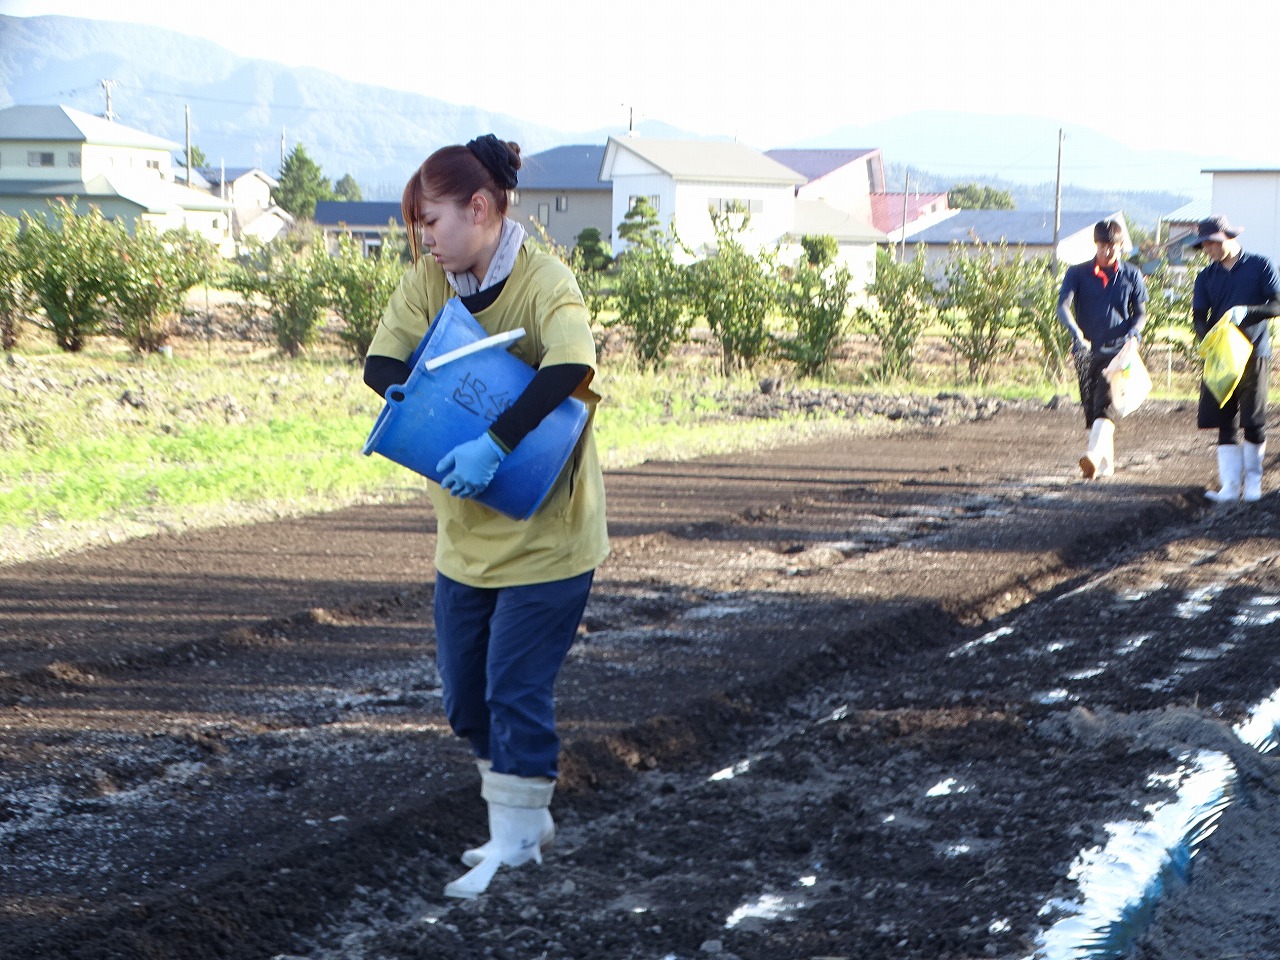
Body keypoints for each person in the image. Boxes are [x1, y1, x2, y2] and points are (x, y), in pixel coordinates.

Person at [362, 135, 609, 898]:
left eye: (431, 221)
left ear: (479, 208)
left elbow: (571, 365)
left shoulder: (543, 281)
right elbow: (381, 362)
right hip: (466, 536)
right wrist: (429, 399)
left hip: (548, 535)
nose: (424, 239)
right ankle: (522, 819)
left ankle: (514, 842)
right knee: (466, 698)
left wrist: (496, 439)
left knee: (512, 688)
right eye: (417, 226)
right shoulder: (426, 283)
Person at [1189, 215, 1280, 503]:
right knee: (1225, 419)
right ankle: (1229, 487)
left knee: (1253, 419)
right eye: (1204, 245)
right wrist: (1206, 338)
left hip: (1254, 352)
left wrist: (1246, 312)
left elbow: (1276, 304)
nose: (1207, 250)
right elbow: (1199, 316)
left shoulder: (1260, 266)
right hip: (1222, 356)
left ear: (1228, 238)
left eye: (1211, 244)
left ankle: (1253, 483)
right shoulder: (1206, 277)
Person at [1057, 218, 1149, 478]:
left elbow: (1140, 313)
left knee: (1105, 403)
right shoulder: (1077, 273)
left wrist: (1134, 334)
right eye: (1102, 246)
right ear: (1095, 245)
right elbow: (1063, 306)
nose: (1107, 251)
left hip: (1119, 350)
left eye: (1113, 246)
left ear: (1120, 245)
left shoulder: (1131, 274)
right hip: (1085, 351)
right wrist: (1076, 332)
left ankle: (1093, 456)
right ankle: (1106, 465)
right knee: (1092, 409)